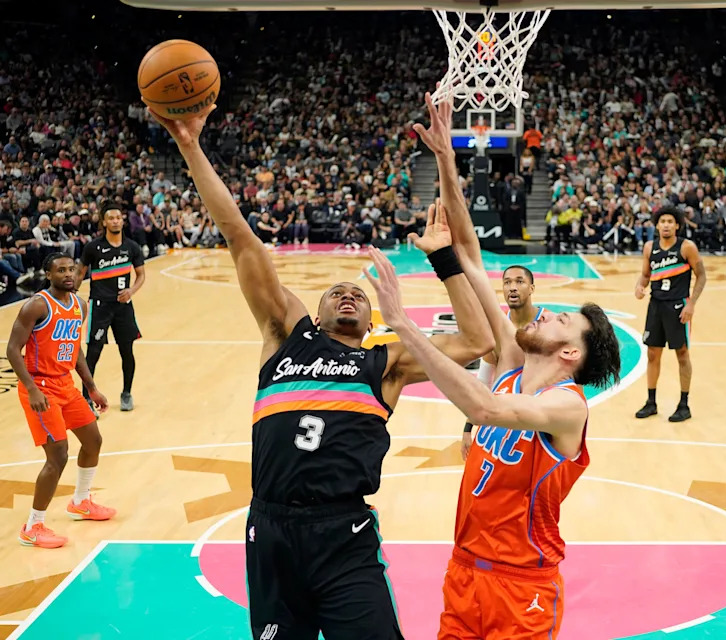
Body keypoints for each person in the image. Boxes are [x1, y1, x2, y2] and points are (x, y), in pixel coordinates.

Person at [148, 103, 493, 640]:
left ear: (372, 320)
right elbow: (241, 238)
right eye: (336, 292)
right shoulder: (285, 333)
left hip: (343, 532)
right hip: (271, 528)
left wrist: (444, 260)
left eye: (357, 293)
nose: (347, 294)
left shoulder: (386, 361)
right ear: (314, 309)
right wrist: (190, 147)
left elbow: (478, 341)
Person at [368, 91, 622, 640]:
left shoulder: (567, 407)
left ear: (571, 354)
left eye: (559, 320)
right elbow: (471, 256)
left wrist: (406, 326)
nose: (543, 313)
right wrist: (446, 159)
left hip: (522, 585)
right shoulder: (510, 363)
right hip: (463, 572)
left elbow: (484, 407)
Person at [5, 252, 114, 549]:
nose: (68, 274)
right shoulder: (37, 305)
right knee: (58, 456)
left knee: (93, 441)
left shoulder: (79, 305)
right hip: (40, 387)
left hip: (66, 384)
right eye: (61, 270)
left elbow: (74, 348)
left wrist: (91, 387)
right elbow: (13, 349)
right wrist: (31, 388)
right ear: (48, 275)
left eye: (72, 269)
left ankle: (80, 502)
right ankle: (32, 526)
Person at [461, 264, 543, 460]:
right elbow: (483, 381)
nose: (512, 287)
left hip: (538, 420)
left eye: (519, 282)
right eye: (507, 283)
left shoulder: (548, 325)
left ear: (531, 288)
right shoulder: (495, 330)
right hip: (503, 419)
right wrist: (467, 428)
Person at [634, 206, 707, 422]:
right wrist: (639, 286)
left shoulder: (687, 247)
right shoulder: (649, 247)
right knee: (652, 354)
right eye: (662, 221)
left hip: (678, 306)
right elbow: (645, 275)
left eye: (670, 221)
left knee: (682, 354)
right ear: (657, 225)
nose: (666, 225)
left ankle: (684, 405)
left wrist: (691, 304)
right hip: (655, 305)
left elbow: (702, 276)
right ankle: (651, 402)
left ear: (677, 225)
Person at [77, 205, 146, 413]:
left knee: (127, 352)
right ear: (104, 222)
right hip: (99, 307)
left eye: (118, 217)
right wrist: (69, 298)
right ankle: (86, 398)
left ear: (122, 221)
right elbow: (79, 274)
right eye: (111, 218)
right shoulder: (92, 247)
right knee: (93, 354)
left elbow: (141, 275)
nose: (115, 221)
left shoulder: (132, 247)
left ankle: (126, 393)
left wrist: (131, 291)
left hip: (123, 307)